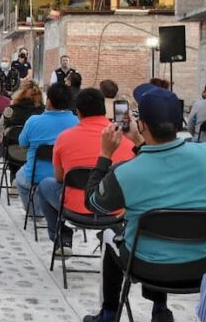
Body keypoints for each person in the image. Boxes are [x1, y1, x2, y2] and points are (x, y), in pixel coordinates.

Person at [82, 83, 206, 322]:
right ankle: (160, 310)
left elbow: (93, 203)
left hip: (147, 266)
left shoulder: (126, 173)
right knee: (161, 223)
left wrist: (105, 154)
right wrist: (140, 140)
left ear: (141, 123)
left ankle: (109, 314)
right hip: (200, 265)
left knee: (111, 234)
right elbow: (165, 161)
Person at [35, 88, 135, 254]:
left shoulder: (64, 138)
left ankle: (62, 238)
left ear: (78, 113)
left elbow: (59, 178)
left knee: (46, 184)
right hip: (115, 210)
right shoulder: (125, 139)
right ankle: (111, 237)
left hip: (74, 208)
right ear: (104, 109)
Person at [15, 83, 78, 215]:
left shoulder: (33, 121)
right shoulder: (77, 123)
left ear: (48, 101)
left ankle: (35, 211)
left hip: (35, 176)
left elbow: (22, 143)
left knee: (20, 177)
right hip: (69, 178)